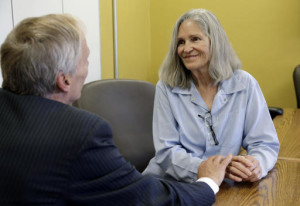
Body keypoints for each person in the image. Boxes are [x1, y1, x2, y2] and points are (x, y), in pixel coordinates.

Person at [0, 13, 232, 205]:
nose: (87, 68)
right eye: (86, 60)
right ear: (64, 80)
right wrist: (208, 183)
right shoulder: (82, 133)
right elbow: (148, 199)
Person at [143, 8, 280, 183]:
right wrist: (206, 169)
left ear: (215, 42)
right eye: (180, 42)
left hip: (224, 184)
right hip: (172, 183)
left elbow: (264, 143)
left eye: (195, 39)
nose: (186, 48)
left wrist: (256, 164)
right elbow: (166, 152)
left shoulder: (245, 84)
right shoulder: (166, 87)